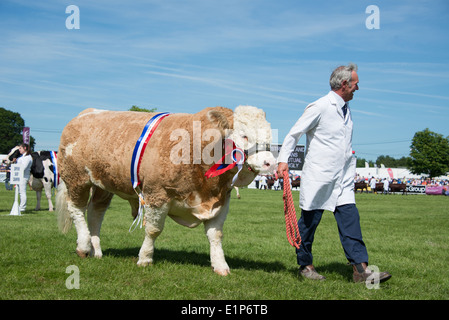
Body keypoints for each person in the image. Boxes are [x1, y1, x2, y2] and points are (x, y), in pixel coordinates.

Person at [277, 63, 391, 283]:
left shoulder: (346, 110)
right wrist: (283, 160)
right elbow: (294, 133)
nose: (358, 88)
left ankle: (361, 271)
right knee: (308, 224)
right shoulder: (320, 106)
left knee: (351, 221)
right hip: (320, 176)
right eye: (356, 83)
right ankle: (305, 266)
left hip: (343, 178)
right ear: (344, 84)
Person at [15, 144, 33, 212]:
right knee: (20, 191)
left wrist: (16, 169)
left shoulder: (28, 157)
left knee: (22, 192)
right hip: (20, 175)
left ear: (25, 148)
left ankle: (22, 207)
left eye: (20, 148)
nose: (19, 150)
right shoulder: (23, 157)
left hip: (24, 176)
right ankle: (20, 206)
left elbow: (23, 167)